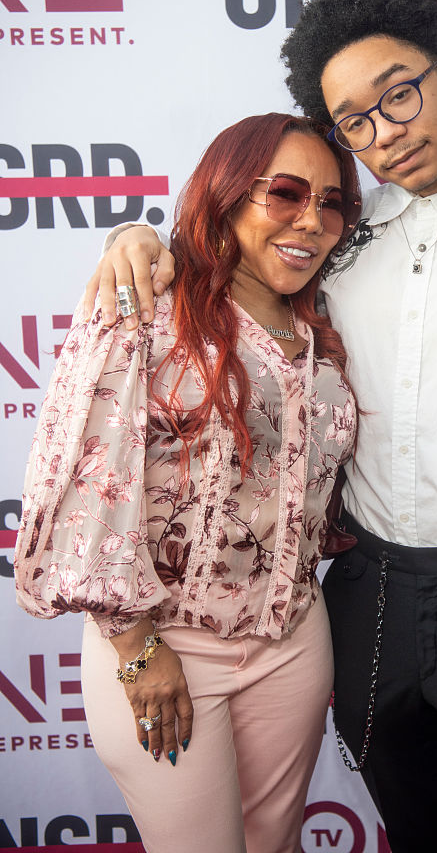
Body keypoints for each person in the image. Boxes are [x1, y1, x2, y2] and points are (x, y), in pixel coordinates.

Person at [80, 0, 437, 853]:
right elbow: (228, 260)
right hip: (364, 589)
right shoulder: (337, 243)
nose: (386, 133)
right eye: (355, 121)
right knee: (412, 826)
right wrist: (137, 237)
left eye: (399, 94)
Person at [14, 112, 363, 853]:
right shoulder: (144, 311)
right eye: (286, 194)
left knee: (272, 844)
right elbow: (90, 488)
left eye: (332, 203)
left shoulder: (326, 329)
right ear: (227, 197)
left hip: (294, 642)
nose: (312, 219)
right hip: (161, 646)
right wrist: (138, 650)